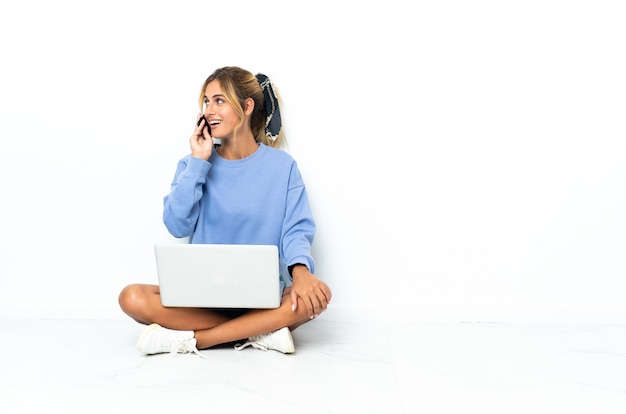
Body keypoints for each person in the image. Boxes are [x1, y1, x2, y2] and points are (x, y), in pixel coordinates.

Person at [118, 66, 331, 356]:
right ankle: (261, 331)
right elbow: (177, 225)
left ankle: (198, 340)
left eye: (219, 100)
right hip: (201, 298)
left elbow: (295, 230)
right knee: (131, 297)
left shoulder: (282, 167)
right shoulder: (192, 164)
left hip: (262, 298)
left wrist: (302, 272)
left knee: (317, 296)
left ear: (246, 106)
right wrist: (199, 162)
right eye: (206, 102)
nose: (209, 110)